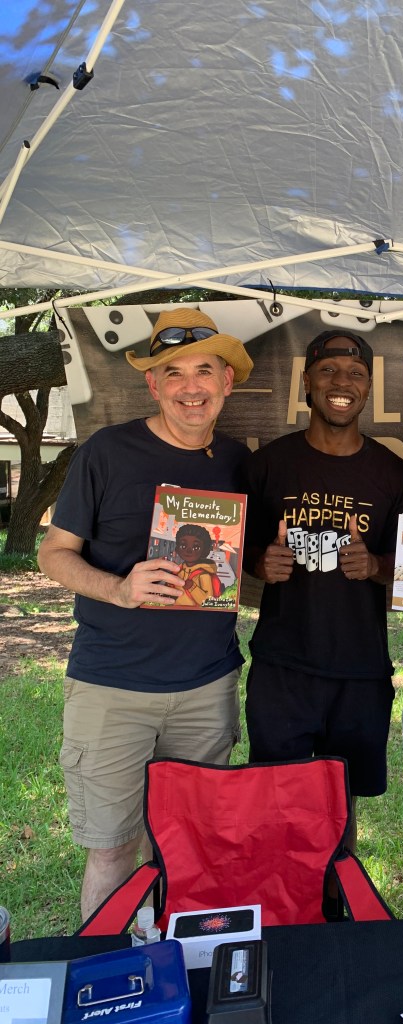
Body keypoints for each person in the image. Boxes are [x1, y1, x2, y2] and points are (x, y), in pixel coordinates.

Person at [38, 308, 253, 921]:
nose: (191, 387)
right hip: (112, 688)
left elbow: (243, 564)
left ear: (226, 382)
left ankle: (177, 962)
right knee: (112, 850)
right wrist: (118, 588)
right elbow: (53, 553)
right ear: (153, 385)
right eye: (173, 373)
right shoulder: (106, 452)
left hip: (207, 688)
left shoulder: (238, 462)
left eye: (204, 371)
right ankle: (107, 968)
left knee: (189, 846)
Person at [243, 329, 403, 853]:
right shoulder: (268, 464)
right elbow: (229, 549)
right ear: (306, 383)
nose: (342, 383)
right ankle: (284, 899)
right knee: (277, 807)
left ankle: (337, 899)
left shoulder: (393, 474)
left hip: (359, 671)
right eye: (328, 371)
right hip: (282, 669)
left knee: (339, 811)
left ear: (368, 387)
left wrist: (376, 565)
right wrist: (260, 563)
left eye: (356, 374)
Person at [173, 523, 220, 607]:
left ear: (204, 551)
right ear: (177, 548)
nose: (188, 551)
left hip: (193, 612)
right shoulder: (179, 570)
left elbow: (207, 602)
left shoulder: (204, 575)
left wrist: (192, 587)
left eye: (196, 547)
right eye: (183, 546)